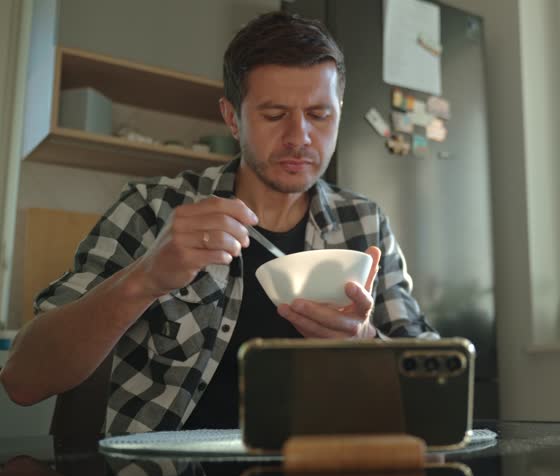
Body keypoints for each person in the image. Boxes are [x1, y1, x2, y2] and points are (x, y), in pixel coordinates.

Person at [0, 11, 435, 433]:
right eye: (274, 114)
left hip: (319, 461)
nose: (299, 137)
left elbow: (434, 384)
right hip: (167, 467)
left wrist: (364, 338)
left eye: (319, 115)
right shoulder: (153, 208)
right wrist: (145, 278)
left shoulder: (364, 222)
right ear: (231, 118)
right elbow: (23, 380)